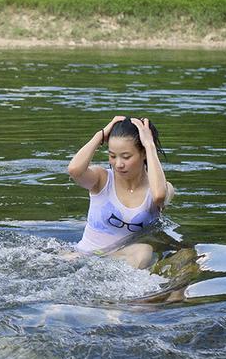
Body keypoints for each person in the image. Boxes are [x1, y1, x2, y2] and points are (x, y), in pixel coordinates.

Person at [66, 115, 175, 269]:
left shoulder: (162, 188)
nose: (118, 164)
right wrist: (100, 135)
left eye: (126, 157)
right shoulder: (102, 179)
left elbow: (159, 196)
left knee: (143, 252)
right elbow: (74, 170)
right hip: (82, 257)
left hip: (122, 262)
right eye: (112, 156)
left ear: (143, 153)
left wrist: (150, 145)